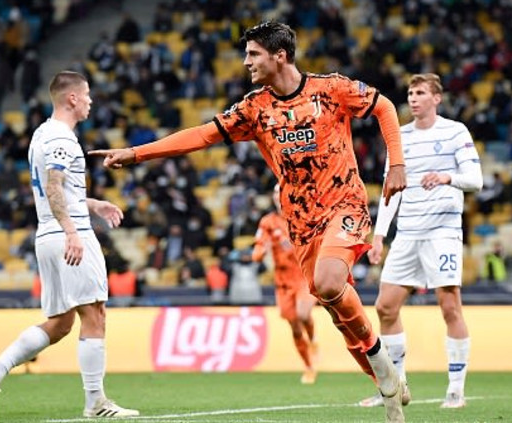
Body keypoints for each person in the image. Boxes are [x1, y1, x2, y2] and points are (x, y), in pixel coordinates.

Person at [90, 21, 408, 422]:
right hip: (301, 222)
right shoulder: (254, 109)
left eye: (253, 54)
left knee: (329, 283)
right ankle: (384, 376)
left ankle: (382, 368)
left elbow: (384, 106)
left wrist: (397, 163)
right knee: (334, 307)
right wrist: (137, 153)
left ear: (280, 56)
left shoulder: (330, 89)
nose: (246, 62)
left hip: (345, 204)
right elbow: (201, 136)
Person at [0, 71, 139, 419]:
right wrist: (73, 232)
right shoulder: (63, 137)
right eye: (87, 94)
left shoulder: (41, 134)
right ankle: (96, 403)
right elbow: (52, 186)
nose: (90, 100)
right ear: (72, 98)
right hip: (68, 235)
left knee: (61, 323)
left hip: (47, 236)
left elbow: (58, 191)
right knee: (95, 314)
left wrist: (94, 205)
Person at [359, 73, 483, 410]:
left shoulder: (455, 132)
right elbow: (391, 189)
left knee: (449, 306)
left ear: (436, 98)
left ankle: (455, 390)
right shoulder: (399, 136)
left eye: (420, 93)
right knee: (385, 306)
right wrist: (379, 236)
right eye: (410, 93)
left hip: (442, 232)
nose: (413, 98)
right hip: (408, 232)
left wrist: (446, 177)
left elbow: (475, 180)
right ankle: (395, 386)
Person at [252, 184, 318, 384]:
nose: (277, 196)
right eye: (274, 193)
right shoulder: (268, 222)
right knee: (295, 327)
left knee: (303, 313)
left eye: (280, 192)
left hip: (303, 274)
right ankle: (308, 367)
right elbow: (257, 251)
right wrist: (261, 252)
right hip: (283, 280)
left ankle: (313, 339)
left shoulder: (303, 216)